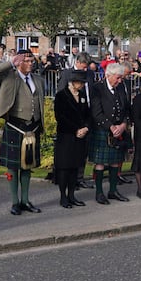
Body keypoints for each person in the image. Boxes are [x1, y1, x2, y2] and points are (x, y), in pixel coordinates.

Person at [0, 49, 44, 216]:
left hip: (32, 128)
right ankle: (15, 202)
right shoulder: (9, 77)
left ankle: (25, 200)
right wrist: (10, 62)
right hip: (15, 126)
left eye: (32, 61)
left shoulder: (38, 80)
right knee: (13, 167)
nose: (30, 63)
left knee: (28, 166)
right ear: (19, 61)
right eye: (26, 60)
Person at [88, 63, 131, 204]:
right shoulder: (97, 88)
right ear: (108, 75)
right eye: (118, 78)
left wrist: (124, 124)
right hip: (102, 130)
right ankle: (99, 192)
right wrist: (111, 127)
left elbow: (126, 108)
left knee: (115, 162)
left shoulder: (121, 88)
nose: (119, 81)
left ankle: (113, 191)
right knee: (100, 163)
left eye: (121, 78)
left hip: (119, 130)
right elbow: (96, 112)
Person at [56, 51, 95, 190]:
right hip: (71, 118)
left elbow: (92, 91)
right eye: (83, 66)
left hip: (86, 115)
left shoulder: (90, 74)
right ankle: (70, 180)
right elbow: (60, 95)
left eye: (86, 67)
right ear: (77, 62)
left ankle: (80, 177)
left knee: (83, 151)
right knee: (70, 152)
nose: (85, 70)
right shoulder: (67, 74)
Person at [53, 69, 90, 209]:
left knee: (75, 167)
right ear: (74, 82)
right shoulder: (61, 96)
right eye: (80, 83)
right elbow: (60, 117)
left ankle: (72, 195)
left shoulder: (82, 96)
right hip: (66, 136)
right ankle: (63, 196)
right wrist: (76, 129)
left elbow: (87, 114)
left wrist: (86, 127)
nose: (81, 86)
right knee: (64, 168)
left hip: (80, 136)